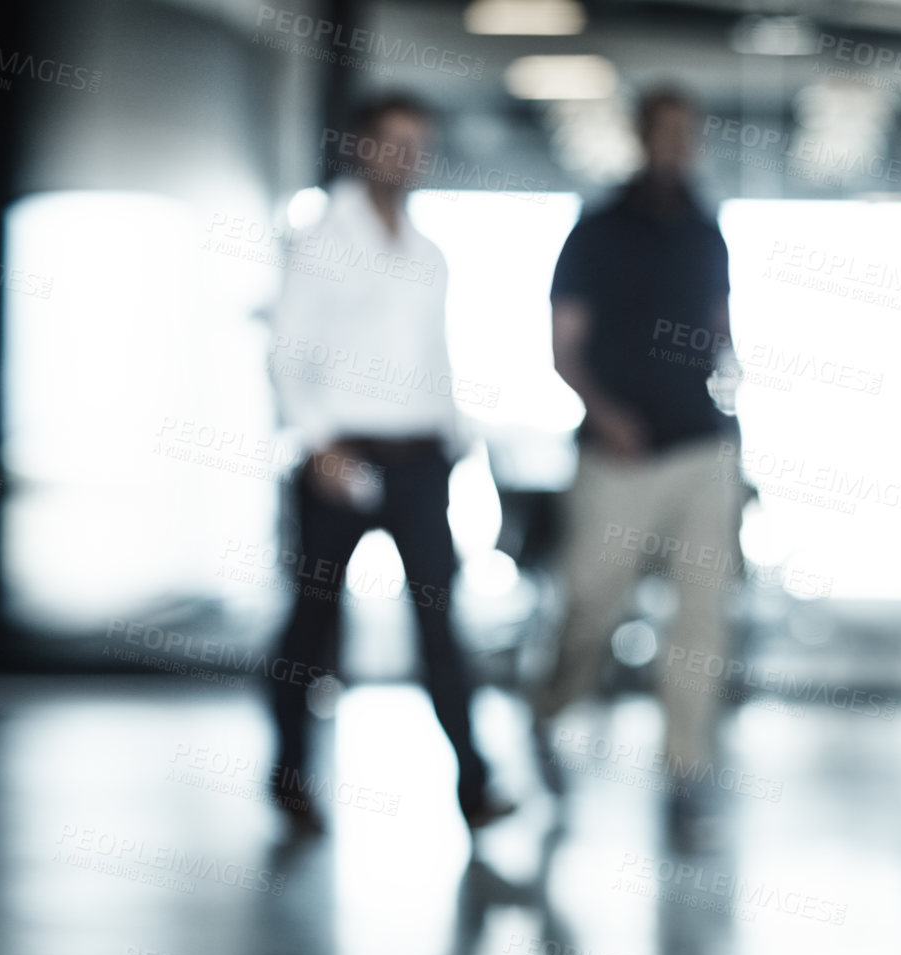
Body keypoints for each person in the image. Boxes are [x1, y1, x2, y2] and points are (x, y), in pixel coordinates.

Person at [264, 93, 513, 834]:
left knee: (441, 627)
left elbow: (431, 358)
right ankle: (289, 779)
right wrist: (321, 445)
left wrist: (455, 433)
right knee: (311, 626)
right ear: (362, 148)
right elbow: (285, 353)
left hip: (418, 463)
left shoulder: (426, 252)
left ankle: (475, 784)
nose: (407, 158)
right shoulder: (322, 241)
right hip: (340, 459)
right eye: (394, 143)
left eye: (419, 144)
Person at [535, 84, 742, 844]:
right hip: (618, 456)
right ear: (642, 138)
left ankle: (686, 772)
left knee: (700, 622)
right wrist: (605, 412)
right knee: (592, 606)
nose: (679, 147)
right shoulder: (598, 230)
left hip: (703, 450)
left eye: (691, 133)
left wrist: (731, 377)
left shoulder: (705, 227)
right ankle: (549, 711)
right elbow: (565, 348)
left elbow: (720, 328)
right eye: (667, 133)